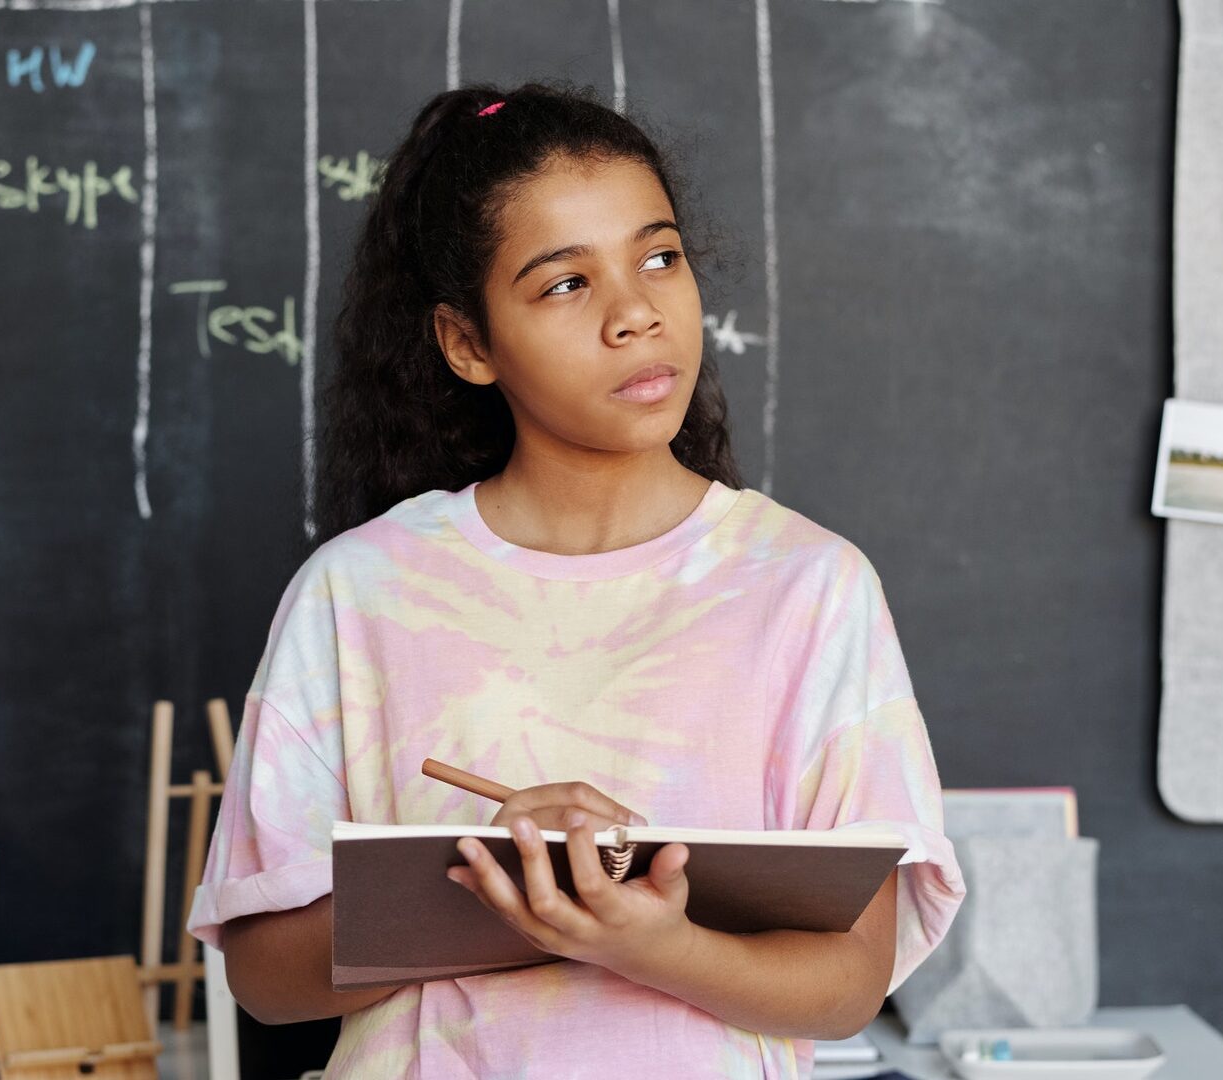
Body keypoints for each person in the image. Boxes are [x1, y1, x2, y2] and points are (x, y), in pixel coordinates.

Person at [186, 81, 964, 1079]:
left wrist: (646, 940)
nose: (636, 314)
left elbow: (851, 983)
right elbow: (265, 973)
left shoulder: (810, 588)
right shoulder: (359, 593)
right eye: (566, 284)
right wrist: (506, 892)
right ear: (468, 343)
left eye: (659, 258)